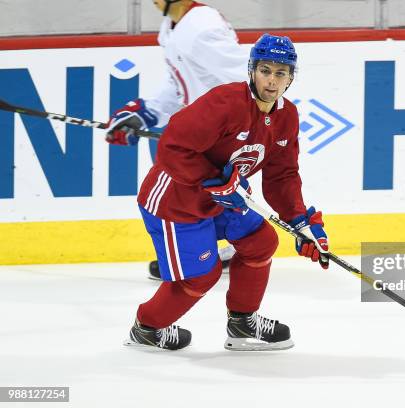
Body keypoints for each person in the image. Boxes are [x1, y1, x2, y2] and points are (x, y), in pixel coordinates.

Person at [124, 33, 330, 351]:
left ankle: (242, 322)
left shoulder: (286, 116)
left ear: (291, 77)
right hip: (175, 201)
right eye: (265, 70)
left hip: (223, 199)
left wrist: (301, 223)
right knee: (201, 277)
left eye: (281, 72)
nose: (272, 81)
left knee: (261, 241)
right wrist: (213, 181)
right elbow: (172, 147)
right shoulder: (225, 103)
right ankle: (147, 329)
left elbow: (282, 174)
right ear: (251, 71)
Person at [105, 0, 245, 279]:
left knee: (171, 193)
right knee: (189, 194)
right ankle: (221, 250)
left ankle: (210, 255)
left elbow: (243, 82)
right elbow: (180, 84)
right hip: (199, 130)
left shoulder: (204, 26)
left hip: (217, 134)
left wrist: (227, 133)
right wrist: (149, 111)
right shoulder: (171, 28)